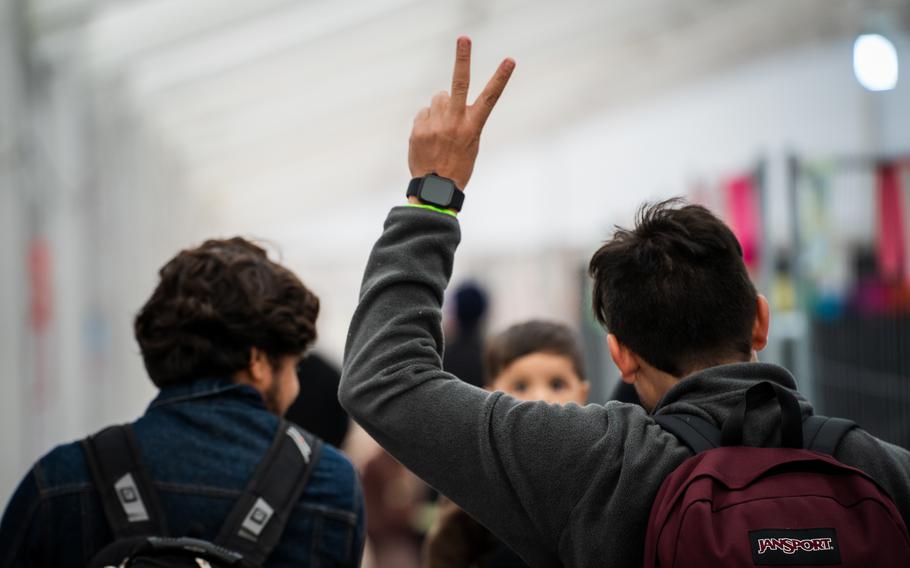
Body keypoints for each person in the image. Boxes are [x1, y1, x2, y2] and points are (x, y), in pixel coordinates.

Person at [338, 36, 910, 567]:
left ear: (621, 356)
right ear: (760, 319)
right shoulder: (880, 468)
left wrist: (433, 193)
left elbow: (383, 379)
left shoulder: (596, 464)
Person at [0, 237, 365, 566]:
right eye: (292, 367)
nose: (294, 387)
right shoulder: (327, 484)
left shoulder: (61, 478)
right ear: (257, 361)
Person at [425, 320, 589, 568]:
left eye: (557, 384)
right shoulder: (477, 477)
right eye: (520, 386)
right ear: (489, 398)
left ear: (583, 394)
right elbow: (447, 553)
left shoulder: (596, 468)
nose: (540, 399)